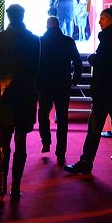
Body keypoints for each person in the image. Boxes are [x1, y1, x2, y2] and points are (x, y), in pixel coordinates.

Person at [64, 5, 112, 180]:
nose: (99, 21)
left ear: (111, 20)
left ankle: (86, 162)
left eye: (103, 18)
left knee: (94, 130)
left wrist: (91, 58)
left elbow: (103, 63)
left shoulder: (109, 39)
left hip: (105, 92)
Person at [0, 4, 40, 202]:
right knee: (21, 143)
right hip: (25, 95)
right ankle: (16, 187)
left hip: (3, 94)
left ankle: (2, 183)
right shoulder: (33, 39)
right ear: (23, 16)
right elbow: (36, 69)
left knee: (3, 140)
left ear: (8, 17)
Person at [38, 16, 82, 167]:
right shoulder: (68, 41)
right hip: (63, 84)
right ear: (58, 26)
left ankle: (46, 141)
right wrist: (75, 79)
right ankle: (61, 152)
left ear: (47, 26)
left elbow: (35, 64)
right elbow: (77, 61)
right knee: (62, 118)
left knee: (43, 113)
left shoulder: (40, 41)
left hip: (44, 84)